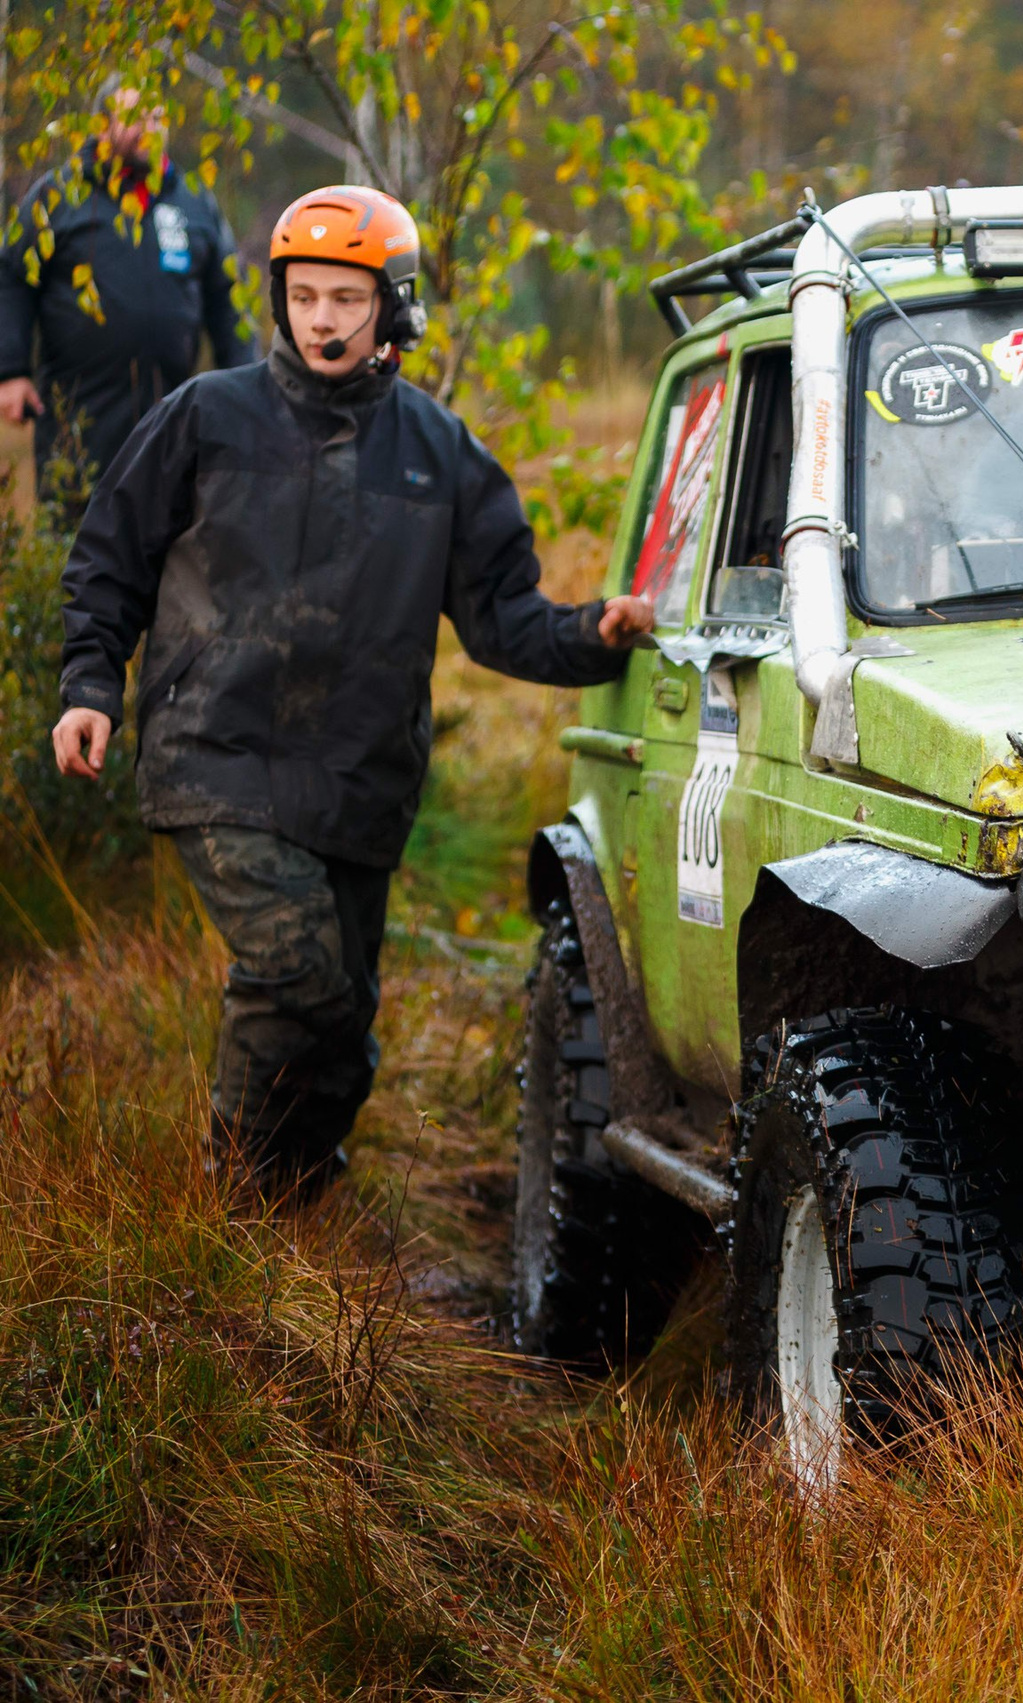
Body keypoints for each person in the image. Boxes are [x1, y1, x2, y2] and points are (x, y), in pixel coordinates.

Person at [50, 185, 655, 1199]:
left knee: (339, 1026)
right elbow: (107, 556)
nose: (322, 318)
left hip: (359, 781)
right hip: (217, 751)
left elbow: (505, 618)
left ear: (393, 304)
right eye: (305, 295)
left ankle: (292, 1208)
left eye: (346, 296)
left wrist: (595, 633)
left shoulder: (438, 454)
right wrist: (89, 686)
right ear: (278, 299)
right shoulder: (207, 416)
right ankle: (232, 1201)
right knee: (294, 972)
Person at [0, 82, 255, 513]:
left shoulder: (194, 201)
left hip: (173, 415)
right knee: (78, 546)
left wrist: (249, 385)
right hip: (78, 416)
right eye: (135, 118)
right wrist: (10, 370)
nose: (149, 130)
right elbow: (11, 279)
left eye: (157, 118)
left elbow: (228, 298)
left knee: (166, 542)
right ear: (101, 126)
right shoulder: (60, 195)